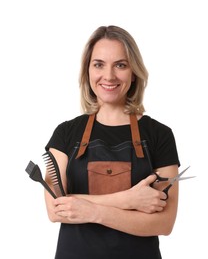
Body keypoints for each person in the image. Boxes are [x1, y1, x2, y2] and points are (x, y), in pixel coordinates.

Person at [44, 25, 180, 259]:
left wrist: (91, 210)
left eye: (120, 65)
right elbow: (56, 210)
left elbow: (164, 223)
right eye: (98, 64)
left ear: (134, 71)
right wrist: (127, 200)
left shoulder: (160, 135)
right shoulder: (65, 133)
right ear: (87, 70)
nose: (109, 76)